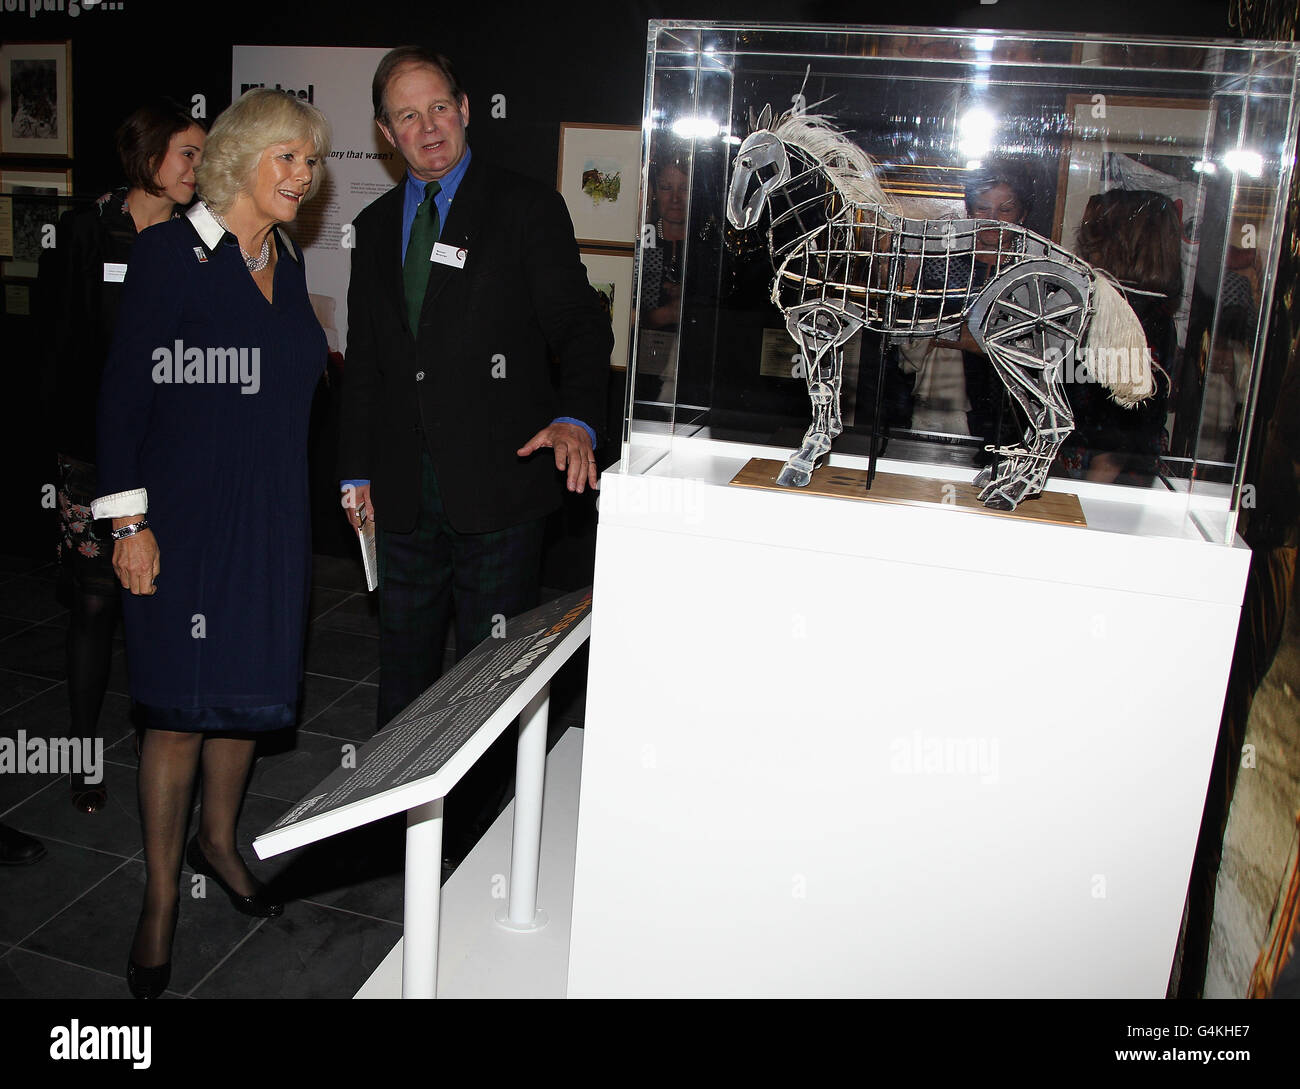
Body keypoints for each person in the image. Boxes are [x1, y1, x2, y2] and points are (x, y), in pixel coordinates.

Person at [338, 47, 610, 856]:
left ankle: (478, 843)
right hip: (403, 495)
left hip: (502, 490)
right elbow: (370, 364)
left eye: (440, 108)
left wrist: (578, 420)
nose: (428, 128)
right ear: (386, 133)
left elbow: (581, 327)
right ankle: (399, 832)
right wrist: (356, 469)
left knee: (489, 679)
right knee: (405, 676)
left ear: (464, 107)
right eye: (407, 116)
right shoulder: (376, 226)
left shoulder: (525, 207)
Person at [93, 88, 331, 998]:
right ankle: (159, 899)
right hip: (182, 525)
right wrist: (129, 522)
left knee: (248, 694)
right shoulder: (168, 254)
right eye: (287, 158)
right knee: (179, 712)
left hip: (270, 519)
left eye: (310, 162)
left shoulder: (287, 254)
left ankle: (220, 843)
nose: (304, 179)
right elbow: (122, 399)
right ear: (238, 159)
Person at [43, 100, 205, 814]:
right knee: (93, 603)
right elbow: (55, 348)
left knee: (155, 601)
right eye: (187, 155)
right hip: (93, 453)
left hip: (169, 454)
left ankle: (153, 739)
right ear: (148, 160)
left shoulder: (204, 240)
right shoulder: (86, 230)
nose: (198, 169)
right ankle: (81, 754)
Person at [1059, 189, 1181, 484]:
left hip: (1101, 476)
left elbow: (1122, 426)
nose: (1087, 244)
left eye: (1096, 235)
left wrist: (1091, 498)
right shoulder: (1134, 308)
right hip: (1088, 466)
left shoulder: (1132, 317)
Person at [932, 161, 1036, 461]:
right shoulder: (945, 262)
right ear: (969, 210)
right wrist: (991, 342)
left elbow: (1038, 346)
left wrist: (967, 338)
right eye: (982, 209)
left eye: (1005, 211)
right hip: (947, 400)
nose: (993, 220)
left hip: (1014, 409)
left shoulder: (1032, 270)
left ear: (1022, 215)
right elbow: (923, 330)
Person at [640, 158, 690, 330]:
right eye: (666, 188)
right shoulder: (644, 240)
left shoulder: (709, 244)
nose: (675, 198)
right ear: (654, 192)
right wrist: (662, 315)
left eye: (684, 188)